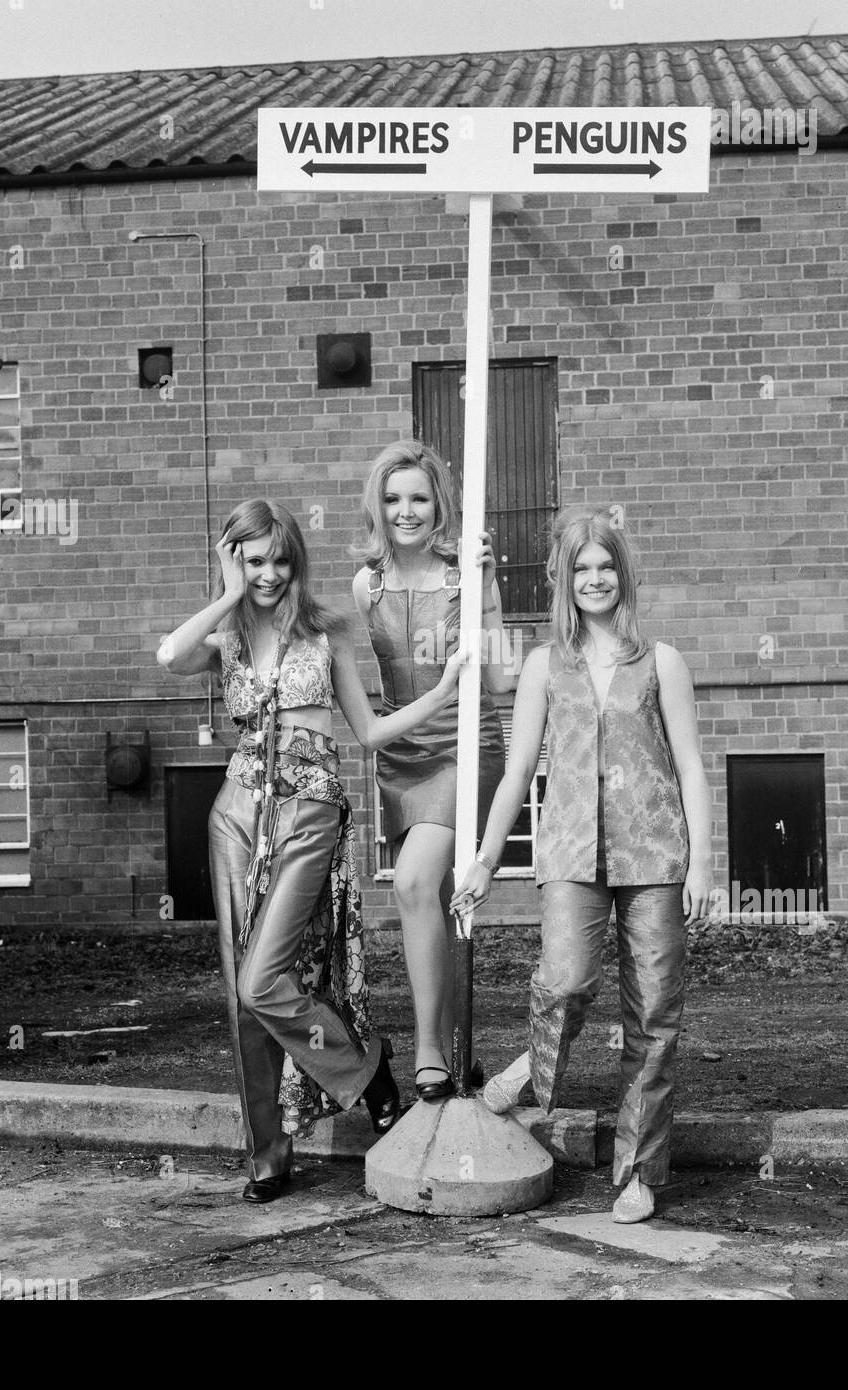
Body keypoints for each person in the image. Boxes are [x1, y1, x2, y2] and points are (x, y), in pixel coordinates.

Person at [158, 500, 465, 1204]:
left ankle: (365, 1069)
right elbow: (169, 656)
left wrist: (445, 689)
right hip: (237, 810)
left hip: (310, 808)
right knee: (243, 997)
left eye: (278, 559)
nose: (268, 573)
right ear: (235, 561)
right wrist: (227, 594)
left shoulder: (326, 635)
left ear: (297, 560)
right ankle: (267, 1153)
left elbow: (369, 732)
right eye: (253, 560)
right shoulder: (227, 636)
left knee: (262, 978)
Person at [451, 506, 712, 1224]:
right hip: (569, 850)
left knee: (653, 1014)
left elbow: (690, 768)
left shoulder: (661, 662)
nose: (594, 579)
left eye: (605, 566)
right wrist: (482, 858)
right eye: (580, 569)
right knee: (564, 982)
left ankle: (636, 1173)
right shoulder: (543, 665)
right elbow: (515, 773)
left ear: (621, 575)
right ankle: (528, 1079)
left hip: (655, 854)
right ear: (563, 580)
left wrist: (702, 864)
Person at [352, 441, 512, 1100]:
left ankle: (425, 1055)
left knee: (415, 882)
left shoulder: (463, 574)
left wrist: (490, 586)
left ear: (437, 501)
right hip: (401, 757)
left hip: (466, 746)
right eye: (392, 499)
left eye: (418, 497)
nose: (405, 510)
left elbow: (499, 675)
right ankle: (455, 1055)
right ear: (377, 505)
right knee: (435, 906)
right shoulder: (367, 584)